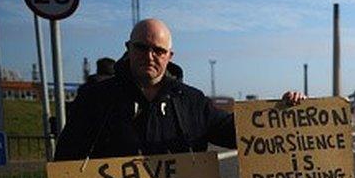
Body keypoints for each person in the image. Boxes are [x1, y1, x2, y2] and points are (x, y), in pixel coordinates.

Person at [54, 18, 303, 161]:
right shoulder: (96, 99)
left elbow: (237, 132)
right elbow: (66, 160)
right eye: (141, 47)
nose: (149, 56)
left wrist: (281, 113)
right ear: (128, 48)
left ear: (169, 56)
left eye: (158, 51)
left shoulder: (191, 102)